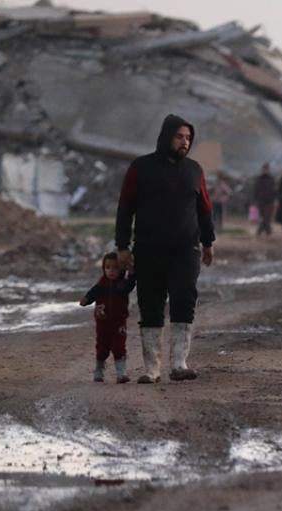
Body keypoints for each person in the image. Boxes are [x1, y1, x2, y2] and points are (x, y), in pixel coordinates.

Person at [114, 113, 214, 383]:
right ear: (166, 137)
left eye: (188, 138)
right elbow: (125, 207)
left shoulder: (194, 170)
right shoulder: (141, 167)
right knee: (150, 304)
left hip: (186, 249)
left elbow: (205, 208)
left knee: (184, 300)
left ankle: (179, 364)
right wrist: (122, 246)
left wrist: (208, 241)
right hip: (148, 249)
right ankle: (152, 369)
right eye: (179, 137)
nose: (185, 142)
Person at [80, 251, 136, 383]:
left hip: (119, 323)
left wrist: (131, 271)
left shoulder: (123, 285)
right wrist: (86, 299)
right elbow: (92, 294)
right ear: (103, 269)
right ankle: (99, 369)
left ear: (121, 269)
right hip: (102, 324)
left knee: (119, 347)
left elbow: (131, 282)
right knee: (102, 348)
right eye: (107, 267)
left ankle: (121, 373)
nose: (111, 271)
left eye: (115, 268)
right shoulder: (101, 285)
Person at [253, 164, 277, 237]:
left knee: (267, 216)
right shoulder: (259, 179)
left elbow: (274, 190)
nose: (266, 171)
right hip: (261, 200)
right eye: (264, 169)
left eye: (267, 169)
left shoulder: (272, 179)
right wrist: (256, 199)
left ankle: (260, 231)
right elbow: (256, 190)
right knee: (263, 216)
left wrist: (274, 199)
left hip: (269, 201)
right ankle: (268, 230)